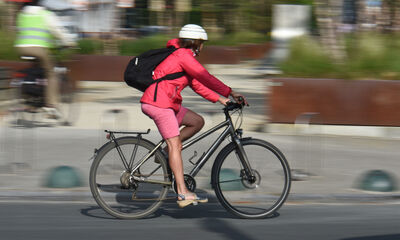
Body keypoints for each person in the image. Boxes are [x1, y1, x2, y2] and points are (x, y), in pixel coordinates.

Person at [140, 24, 248, 208]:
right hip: (158, 104)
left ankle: (166, 153)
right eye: (202, 43)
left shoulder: (182, 56)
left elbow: (197, 84)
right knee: (176, 144)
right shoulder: (182, 55)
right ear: (195, 42)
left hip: (169, 104)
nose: (203, 47)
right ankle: (182, 193)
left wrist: (220, 99)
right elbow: (205, 76)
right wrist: (230, 92)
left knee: (197, 122)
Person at [14, 0, 75, 116]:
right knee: (51, 73)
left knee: (36, 69)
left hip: (21, 48)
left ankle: (32, 98)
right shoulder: (45, 14)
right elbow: (58, 31)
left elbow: (19, 30)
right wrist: (69, 42)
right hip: (39, 49)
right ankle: (51, 105)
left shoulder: (21, 14)